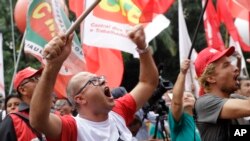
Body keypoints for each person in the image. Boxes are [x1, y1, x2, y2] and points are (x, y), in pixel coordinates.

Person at [29, 25, 158, 141]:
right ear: (80, 99)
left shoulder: (118, 111)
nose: (103, 81)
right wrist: (53, 65)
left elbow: (148, 83)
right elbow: (38, 120)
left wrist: (142, 48)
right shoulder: (72, 128)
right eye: (94, 81)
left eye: (101, 78)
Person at [194, 46, 250, 141]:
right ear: (211, 78)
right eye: (226, 65)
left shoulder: (234, 98)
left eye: (231, 63)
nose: (236, 68)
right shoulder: (204, 103)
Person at [0, 67, 47, 141]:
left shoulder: (50, 115)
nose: (41, 82)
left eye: (39, 78)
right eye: (34, 79)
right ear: (23, 90)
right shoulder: (12, 121)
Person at [168, 59, 201, 141]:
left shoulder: (203, 120)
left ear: (196, 101)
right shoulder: (178, 120)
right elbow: (176, 103)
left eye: (189, 96)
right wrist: (182, 73)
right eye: (182, 96)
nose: (186, 97)